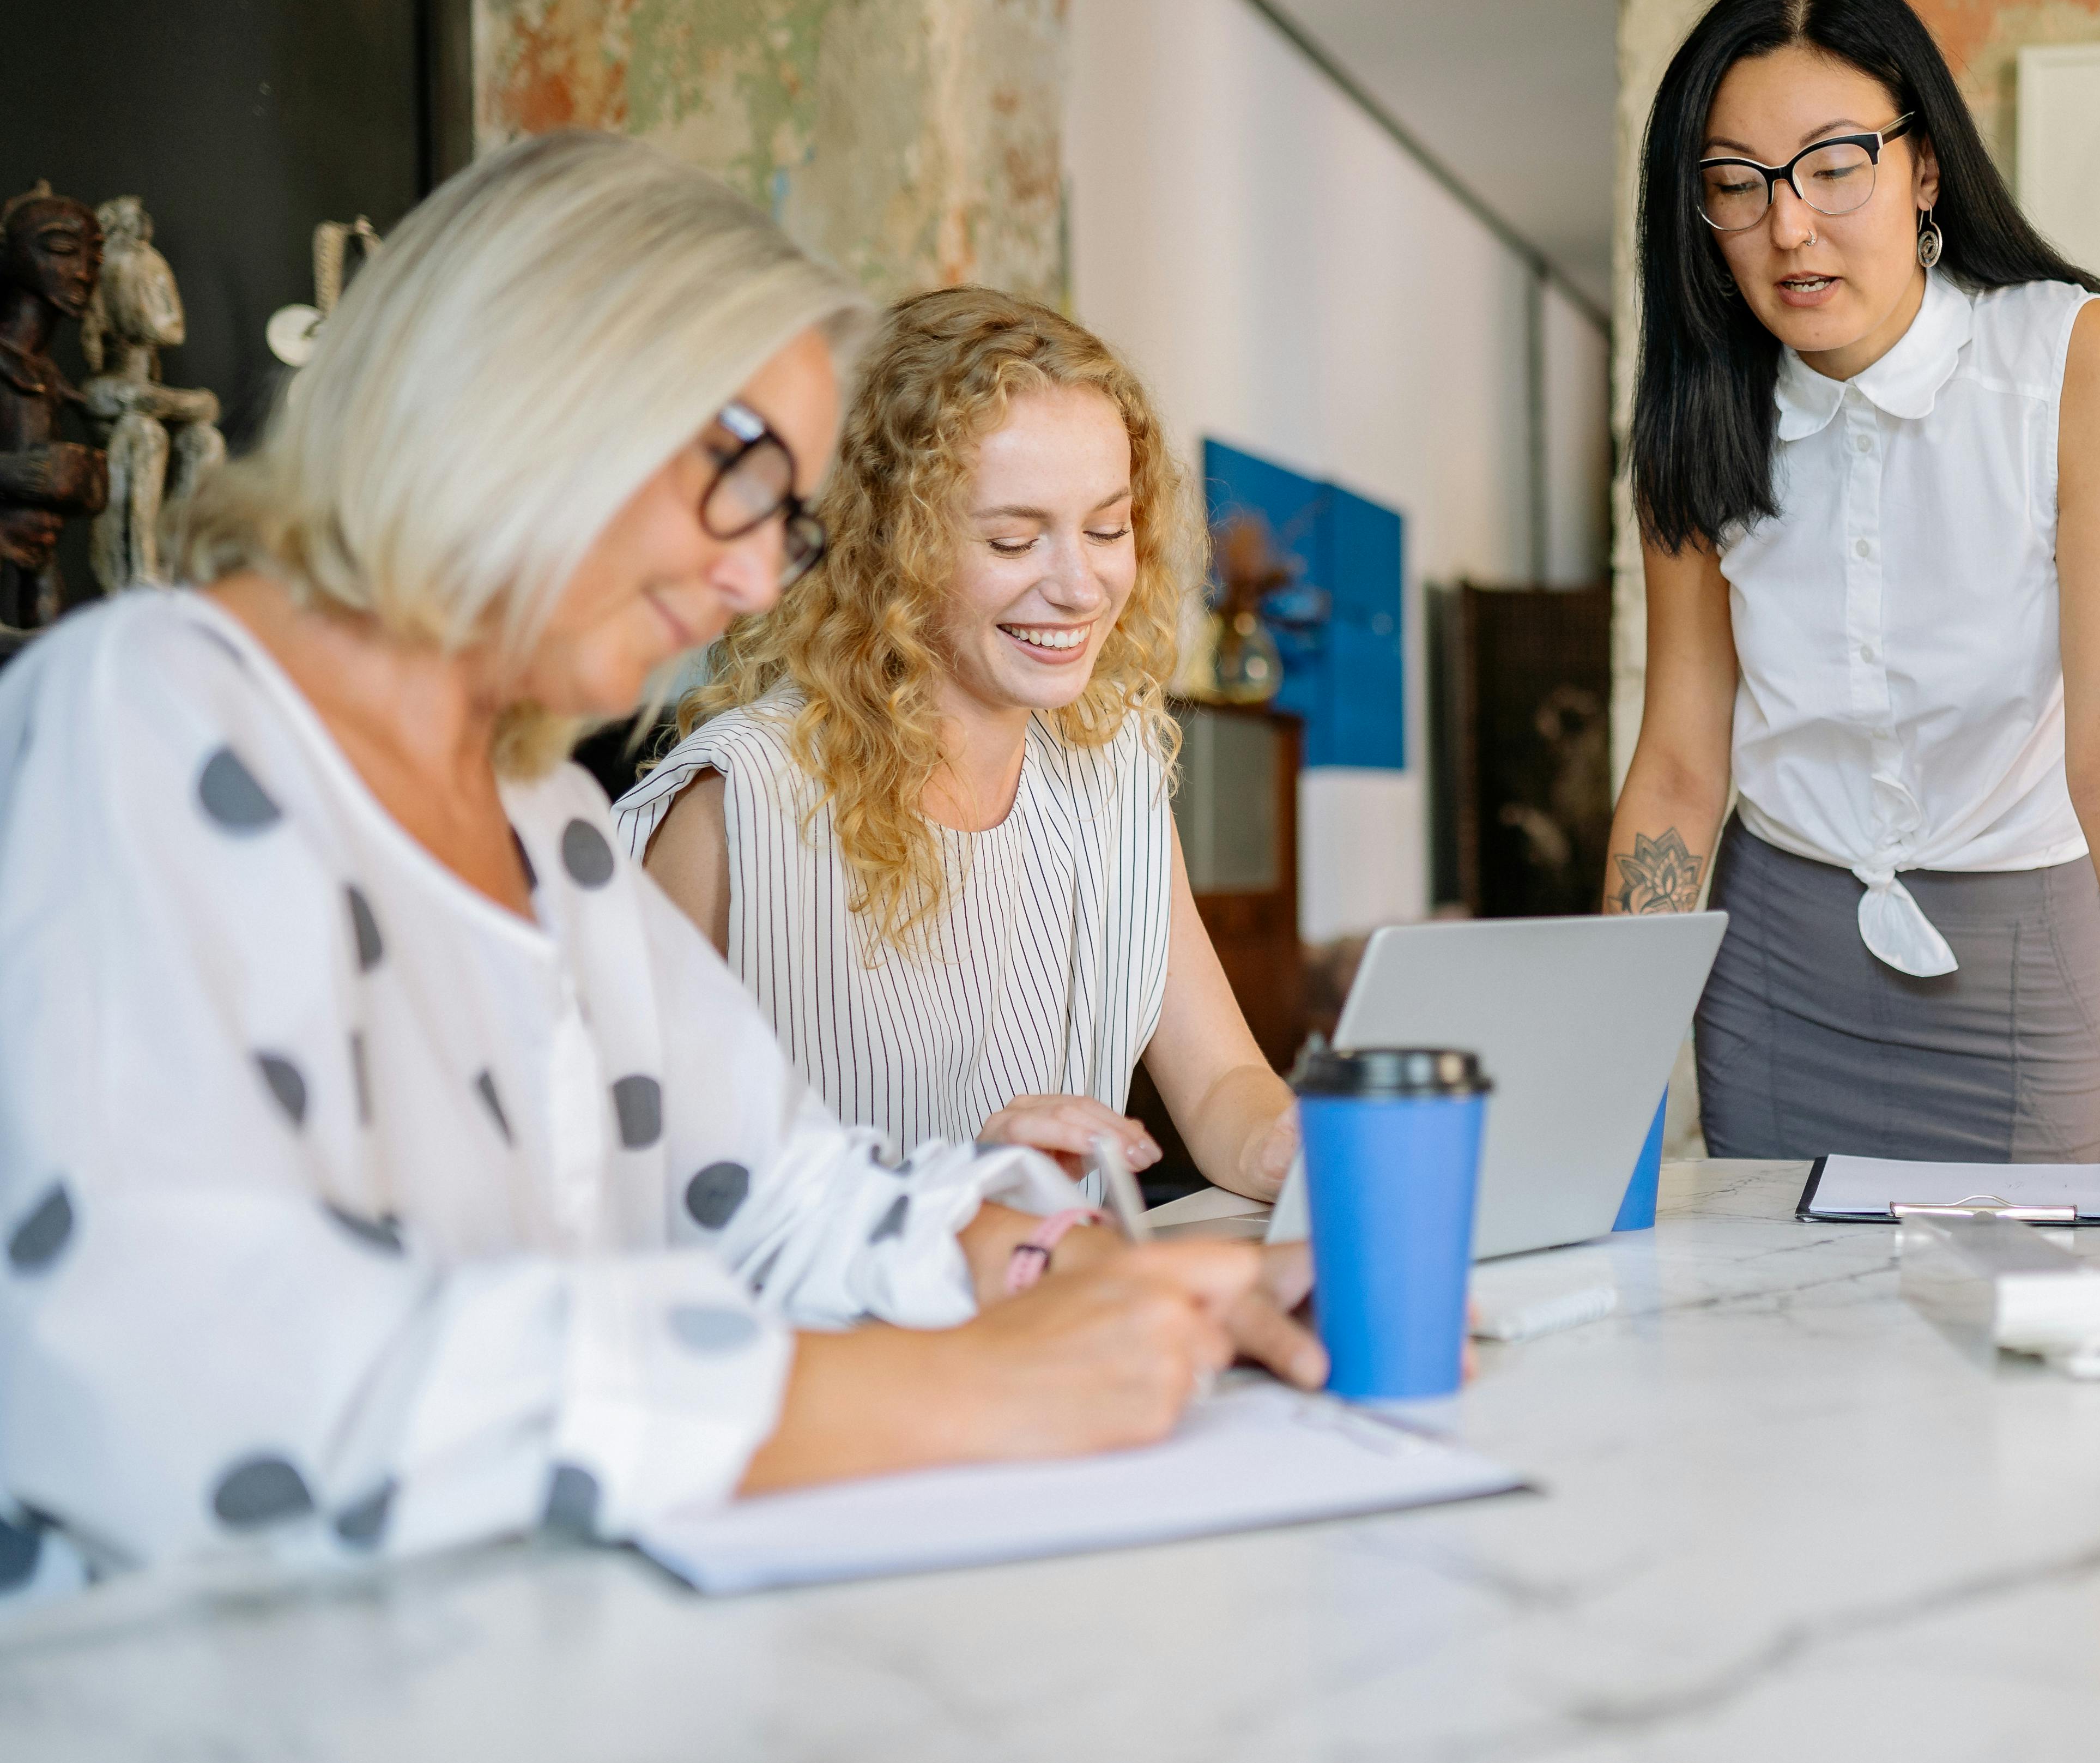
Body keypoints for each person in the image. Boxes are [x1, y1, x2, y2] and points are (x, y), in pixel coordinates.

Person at [0, 132, 1318, 1607]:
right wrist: (962, 1393)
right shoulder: (147, 716)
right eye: (744, 483)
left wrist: (1060, 1273)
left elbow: (781, 1192)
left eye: (792, 519)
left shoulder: (544, 827)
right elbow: (185, 1364)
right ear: (542, 391)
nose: (760, 579)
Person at [1605, 0, 2100, 1204]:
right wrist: (1604, 1072)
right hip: (1774, 960)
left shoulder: (2069, 358)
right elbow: (1680, 764)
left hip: (2014, 946)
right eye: (1736, 185)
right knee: (1779, 1344)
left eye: (1835, 167)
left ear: (1924, 164)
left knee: (2008, 1356)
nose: (1789, 227)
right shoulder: (1698, 411)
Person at [618, 287, 1297, 1200]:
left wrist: (1300, 1151)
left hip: (1055, 1324)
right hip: (844, 1341)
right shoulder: (735, 804)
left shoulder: (1118, 766)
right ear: (887, 547)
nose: (1082, 587)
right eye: (1014, 541)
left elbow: (1220, 1083)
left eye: (1107, 529)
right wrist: (948, 1203)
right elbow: (642, 1197)